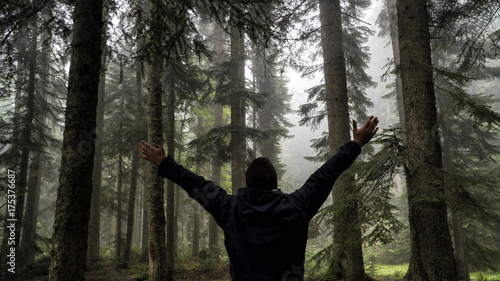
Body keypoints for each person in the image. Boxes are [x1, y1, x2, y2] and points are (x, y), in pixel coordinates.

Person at [138, 116, 379, 281]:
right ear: (276, 183)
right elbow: (326, 174)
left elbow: (196, 185)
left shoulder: (230, 209)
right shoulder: (297, 207)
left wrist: (163, 162)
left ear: (246, 184)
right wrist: (357, 143)